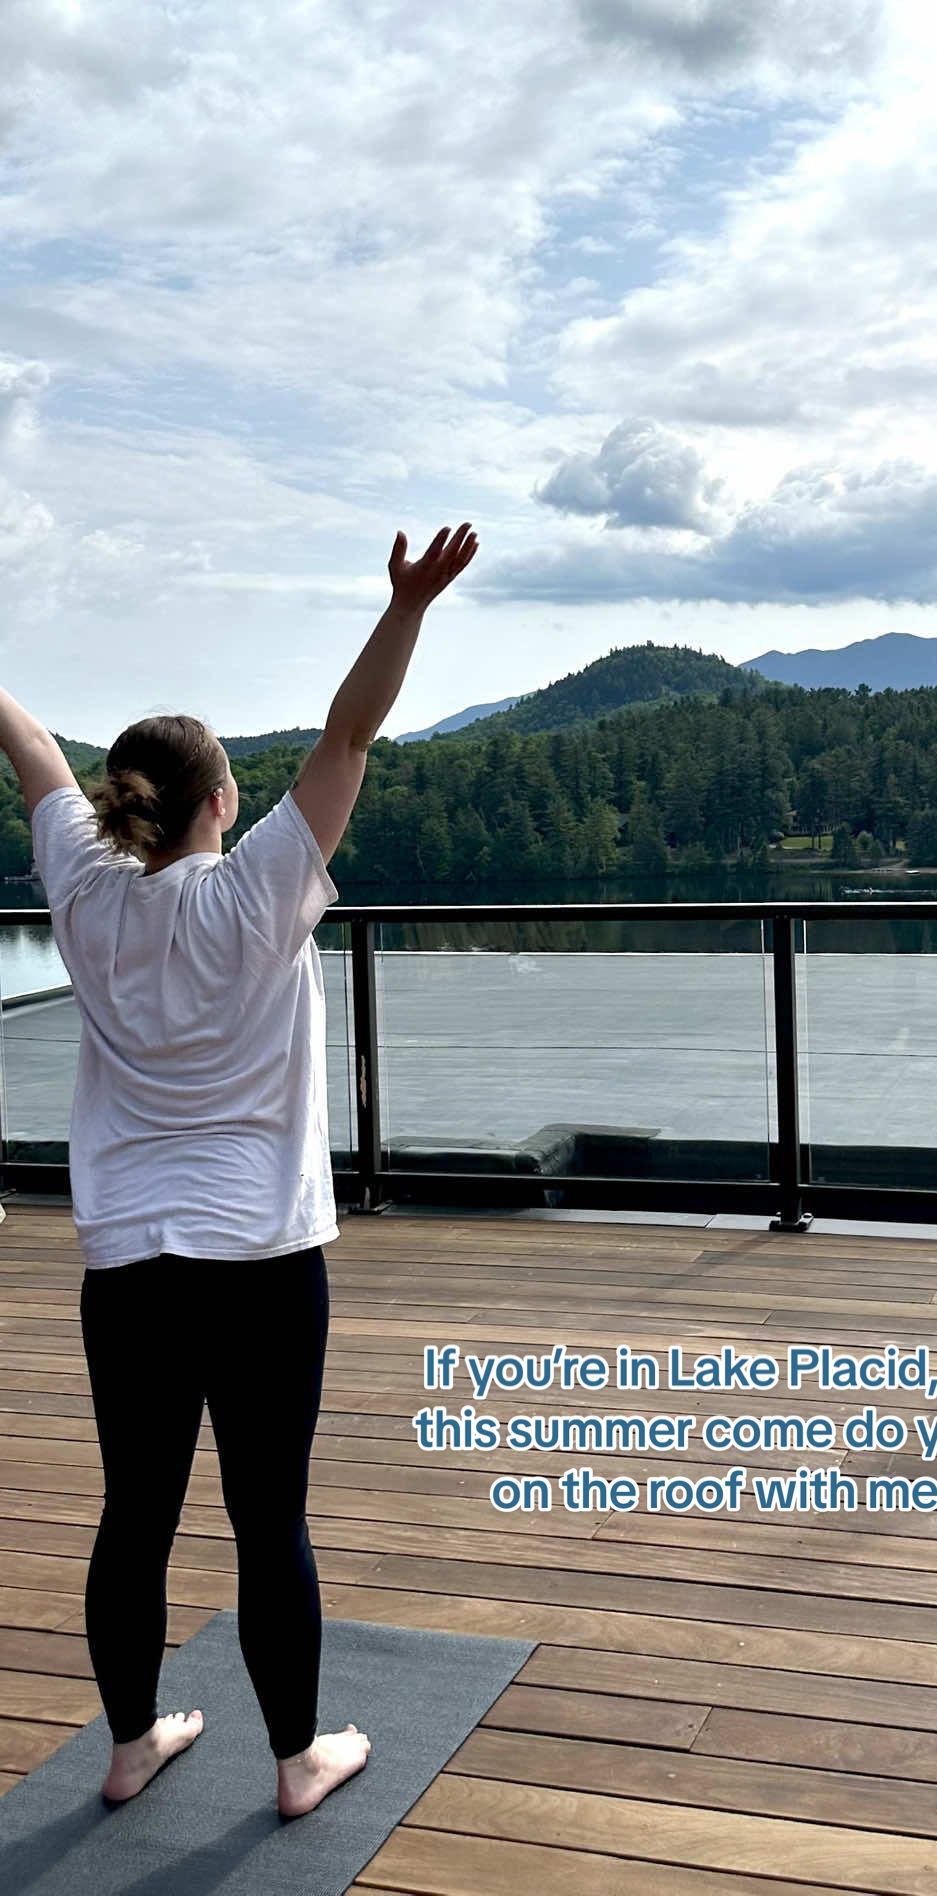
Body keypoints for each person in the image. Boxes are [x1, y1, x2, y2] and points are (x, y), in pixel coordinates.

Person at [0, 521, 477, 1814]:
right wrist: (406, 608)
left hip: (128, 1266)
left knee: (133, 1515)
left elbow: (30, 749)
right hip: (261, 1262)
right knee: (270, 1522)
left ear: (122, 807)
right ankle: (295, 1760)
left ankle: (125, 1744)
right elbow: (348, 737)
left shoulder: (85, 895)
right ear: (221, 802)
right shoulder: (259, 886)